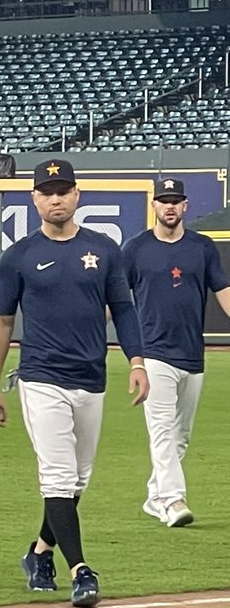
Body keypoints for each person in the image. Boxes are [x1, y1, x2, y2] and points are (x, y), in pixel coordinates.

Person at [0, 158, 148, 608]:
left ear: (77, 195)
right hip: (41, 378)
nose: (55, 197)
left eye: (63, 189)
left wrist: (136, 360)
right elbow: (1, 322)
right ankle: (81, 570)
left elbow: (125, 309)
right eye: (46, 190)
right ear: (34, 198)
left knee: (76, 482)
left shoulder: (104, 250)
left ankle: (39, 553)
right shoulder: (18, 256)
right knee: (57, 477)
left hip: (90, 378)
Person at [122, 178, 230, 528]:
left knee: (180, 436)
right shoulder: (136, 248)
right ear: (154, 205)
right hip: (153, 352)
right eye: (163, 200)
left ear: (185, 206)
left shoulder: (202, 247)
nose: (169, 206)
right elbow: (118, 298)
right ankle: (172, 500)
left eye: (176, 200)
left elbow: (223, 290)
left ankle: (155, 497)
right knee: (163, 431)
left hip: (192, 353)